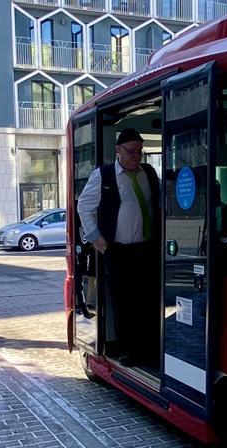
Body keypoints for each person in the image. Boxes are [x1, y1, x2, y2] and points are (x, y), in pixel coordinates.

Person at [76, 128, 160, 367]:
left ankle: (150, 348)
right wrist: (98, 241)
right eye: (132, 151)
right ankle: (128, 350)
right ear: (118, 150)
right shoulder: (103, 175)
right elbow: (84, 207)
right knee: (124, 302)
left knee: (148, 300)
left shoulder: (149, 173)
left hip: (146, 248)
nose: (137, 156)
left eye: (140, 151)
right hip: (119, 250)